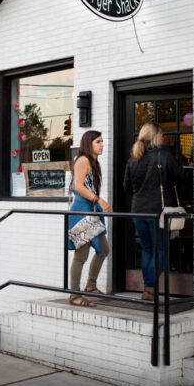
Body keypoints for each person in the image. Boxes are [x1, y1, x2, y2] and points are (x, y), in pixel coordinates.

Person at [123, 122, 184, 301]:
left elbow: (127, 187)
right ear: (156, 137)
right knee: (160, 250)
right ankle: (149, 288)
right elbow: (181, 176)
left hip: (138, 212)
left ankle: (147, 288)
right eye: (162, 135)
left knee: (148, 249)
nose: (164, 138)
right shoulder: (163, 156)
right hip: (159, 212)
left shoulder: (133, 159)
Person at [67, 130, 111, 307]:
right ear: (89, 143)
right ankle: (75, 295)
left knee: (103, 250)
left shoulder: (93, 162)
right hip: (81, 212)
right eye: (98, 142)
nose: (102, 145)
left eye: (102, 141)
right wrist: (99, 199)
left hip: (91, 212)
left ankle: (90, 286)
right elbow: (78, 186)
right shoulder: (83, 160)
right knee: (81, 255)